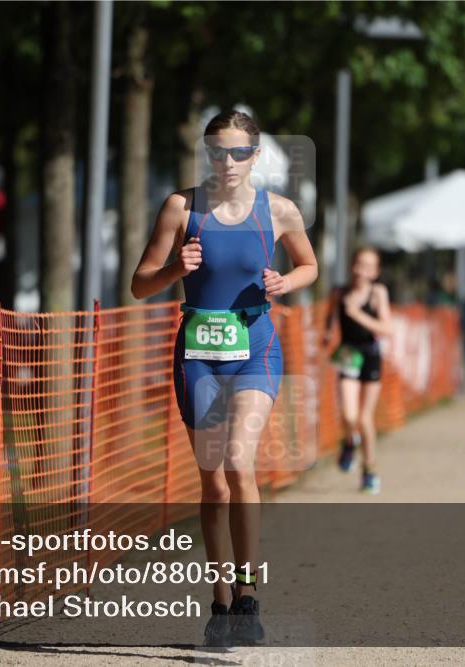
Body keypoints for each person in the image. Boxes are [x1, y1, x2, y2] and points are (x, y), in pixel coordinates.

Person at [130, 110, 318, 647]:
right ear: (206, 154)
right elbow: (140, 284)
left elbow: (310, 265)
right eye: (217, 151)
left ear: (255, 156)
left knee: (239, 460)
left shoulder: (278, 211)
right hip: (198, 356)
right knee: (212, 479)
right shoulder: (181, 207)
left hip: (255, 349)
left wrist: (286, 279)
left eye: (238, 152)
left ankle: (250, 591)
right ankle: (220, 601)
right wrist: (174, 271)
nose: (227, 162)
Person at [322, 247, 393, 494]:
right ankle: (350, 441)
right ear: (352, 266)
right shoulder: (339, 292)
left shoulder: (377, 293)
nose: (362, 271)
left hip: (371, 355)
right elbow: (330, 318)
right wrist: (328, 333)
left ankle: (370, 470)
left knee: (365, 418)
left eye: (368, 267)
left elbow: (386, 328)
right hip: (348, 355)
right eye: (359, 264)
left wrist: (357, 313)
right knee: (350, 416)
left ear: (375, 272)